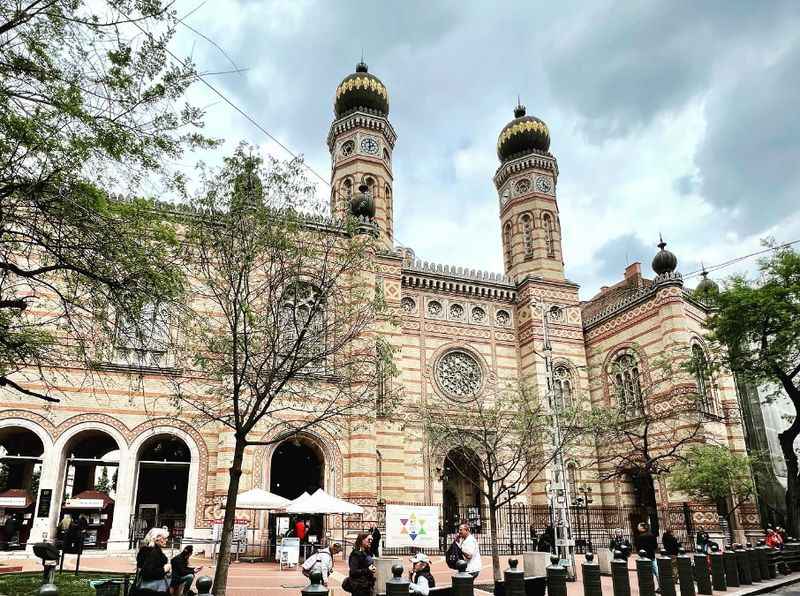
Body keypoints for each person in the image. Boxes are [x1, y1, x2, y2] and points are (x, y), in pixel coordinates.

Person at [135, 527, 170, 593]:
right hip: (150, 589)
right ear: (156, 539)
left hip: (154, 586)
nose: (167, 540)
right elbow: (147, 572)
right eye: (164, 538)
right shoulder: (150, 552)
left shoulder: (155, 550)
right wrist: (164, 569)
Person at [635, 523, 659, 591]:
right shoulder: (652, 535)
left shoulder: (639, 537)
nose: (638, 528)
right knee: (656, 572)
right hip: (651, 556)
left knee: (647, 573)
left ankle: (650, 587)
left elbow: (638, 548)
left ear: (643, 528)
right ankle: (661, 586)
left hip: (643, 558)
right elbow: (655, 546)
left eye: (639, 527)